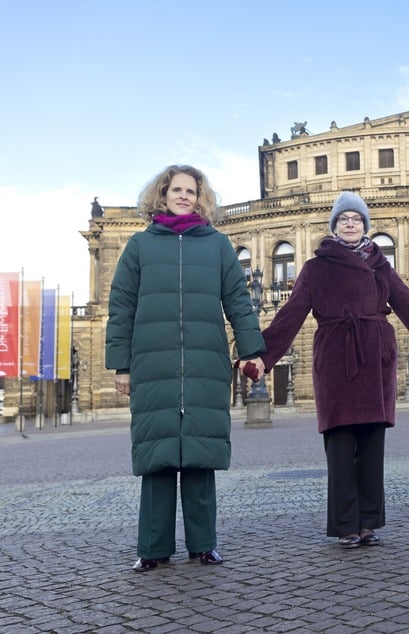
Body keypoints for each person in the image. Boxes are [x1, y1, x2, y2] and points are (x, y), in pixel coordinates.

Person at [255, 191, 409, 549]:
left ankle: (368, 522)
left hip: (374, 357)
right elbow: (290, 315)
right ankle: (345, 525)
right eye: (343, 219)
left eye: (356, 219)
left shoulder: (379, 264)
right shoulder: (316, 267)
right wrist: (262, 356)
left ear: (365, 225)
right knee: (340, 446)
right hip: (336, 357)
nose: (350, 224)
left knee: (371, 445)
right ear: (334, 226)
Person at [106, 165, 265, 572]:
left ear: (200, 197)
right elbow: (121, 307)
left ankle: (203, 544)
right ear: (161, 194)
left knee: (199, 454)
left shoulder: (217, 245)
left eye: (190, 191)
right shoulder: (139, 246)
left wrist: (251, 350)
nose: (183, 196)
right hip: (152, 361)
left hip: (204, 359)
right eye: (176, 189)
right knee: (157, 457)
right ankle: (153, 548)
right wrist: (121, 366)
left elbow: (238, 302)